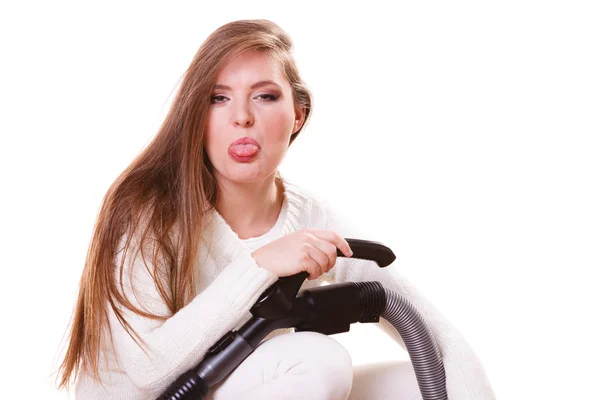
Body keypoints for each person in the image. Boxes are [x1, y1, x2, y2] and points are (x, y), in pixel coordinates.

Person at [56, 19, 496, 399]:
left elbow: (438, 339)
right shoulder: (149, 213)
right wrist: (259, 266)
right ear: (196, 115)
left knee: (425, 382)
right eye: (218, 98)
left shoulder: (313, 221)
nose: (242, 117)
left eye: (265, 96)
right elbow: (148, 373)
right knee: (317, 363)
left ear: (298, 115)